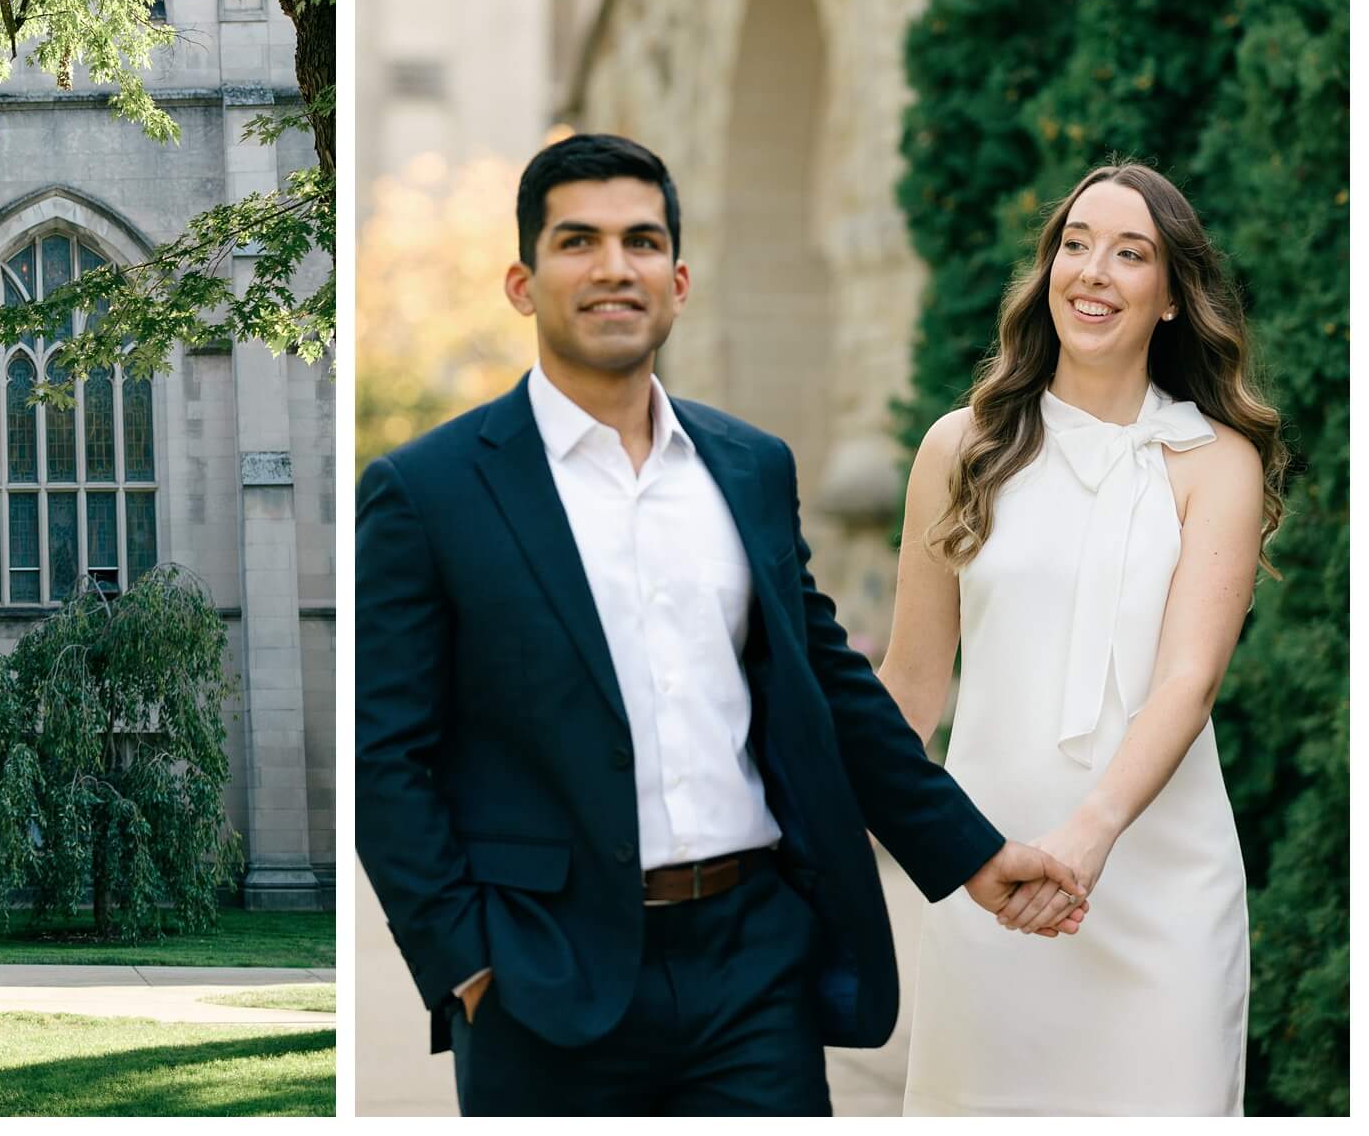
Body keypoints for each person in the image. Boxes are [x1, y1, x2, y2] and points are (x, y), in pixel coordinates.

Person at [356, 133, 1089, 1117]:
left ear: (678, 278)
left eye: (640, 241)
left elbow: (829, 687)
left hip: (753, 968)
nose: (613, 266)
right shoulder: (426, 491)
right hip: (543, 980)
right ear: (522, 283)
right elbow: (383, 757)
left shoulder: (748, 466)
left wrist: (970, 852)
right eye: (577, 241)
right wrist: (467, 963)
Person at [882, 163, 1279, 1115]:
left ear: (1173, 297)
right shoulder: (960, 448)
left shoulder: (1215, 462)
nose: (1094, 270)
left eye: (1130, 252)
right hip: (988, 888)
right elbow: (910, 684)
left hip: (1160, 896)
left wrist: (1086, 840)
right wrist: (841, 848)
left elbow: (1188, 681)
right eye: (1076, 243)